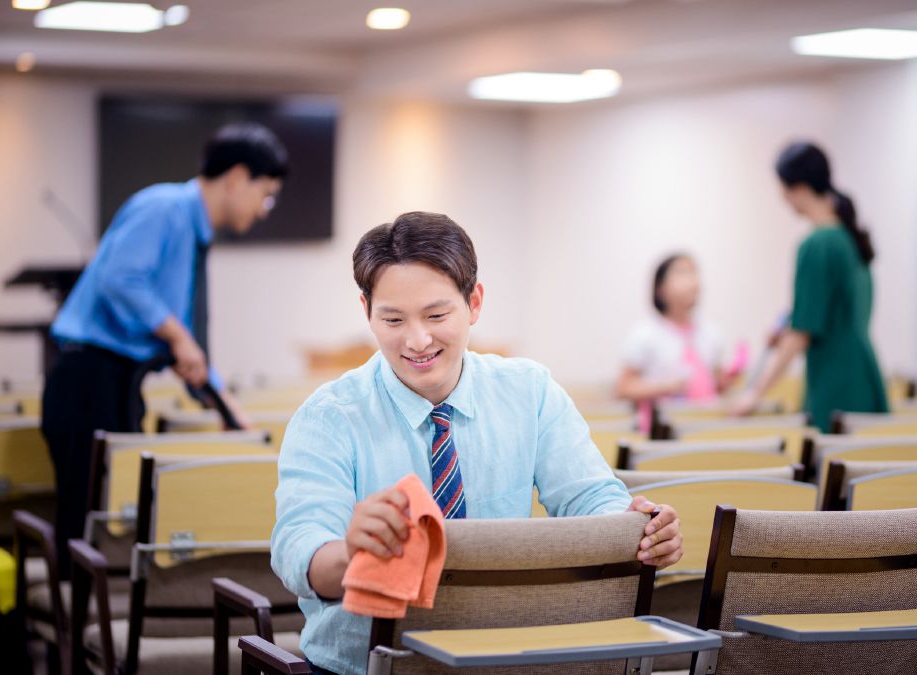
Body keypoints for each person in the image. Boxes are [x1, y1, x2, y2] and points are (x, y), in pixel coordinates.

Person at [271, 212, 683, 675]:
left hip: (507, 655)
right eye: (392, 319)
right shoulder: (328, 416)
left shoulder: (530, 391)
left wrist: (639, 530)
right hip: (363, 665)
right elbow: (301, 549)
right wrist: (353, 553)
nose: (418, 340)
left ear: (475, 303)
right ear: (367, 311)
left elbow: (591, 500)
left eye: (436, 315)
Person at [41, 122, 287, 573]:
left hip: (116, 384)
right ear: (236, 178)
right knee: (85, 527)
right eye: (265, 193)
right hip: (85, 384)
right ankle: (73, 636)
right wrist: (176, 336)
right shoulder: (164, 208)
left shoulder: (194, 233)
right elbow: (121, 279)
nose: (265, 208)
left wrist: (227, 407)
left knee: (110, 526)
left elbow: (187, 342)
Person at [730, 142, 887, 430]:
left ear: (798, 188)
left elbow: (802, 333)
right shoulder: (849, 237)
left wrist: (755, 393)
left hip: (835, 383)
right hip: (863, 376)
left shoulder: (817, 243)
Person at [617, 254, 733, 427]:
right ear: (660, 289)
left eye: (694, 273)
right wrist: (666, 386)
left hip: (707, 425)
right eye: (682, 273)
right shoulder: (644, 334)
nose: (692, 281)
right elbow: (623, 388)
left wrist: (727, 379)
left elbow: (718, 386)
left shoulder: (712, 332)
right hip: (663, 429)